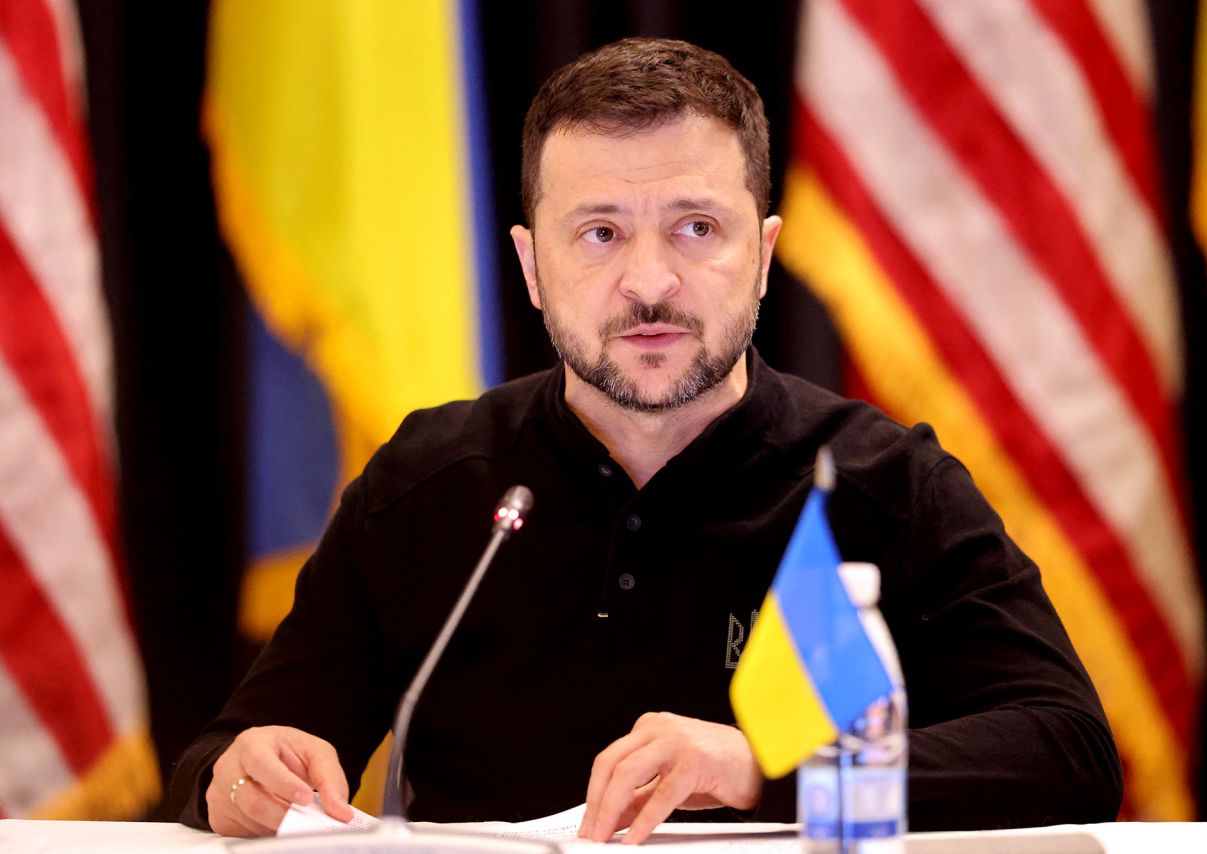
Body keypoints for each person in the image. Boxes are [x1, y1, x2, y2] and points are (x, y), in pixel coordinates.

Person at [169, 38, 1122, 841]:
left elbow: (1066, 748)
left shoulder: (881, 485)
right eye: (599, 234)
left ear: (764, 256)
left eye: (697, 226)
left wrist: (762, 767)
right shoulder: (427, 484)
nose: (650, 282)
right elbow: (228, 755)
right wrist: (240, 774)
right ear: (530, 266)